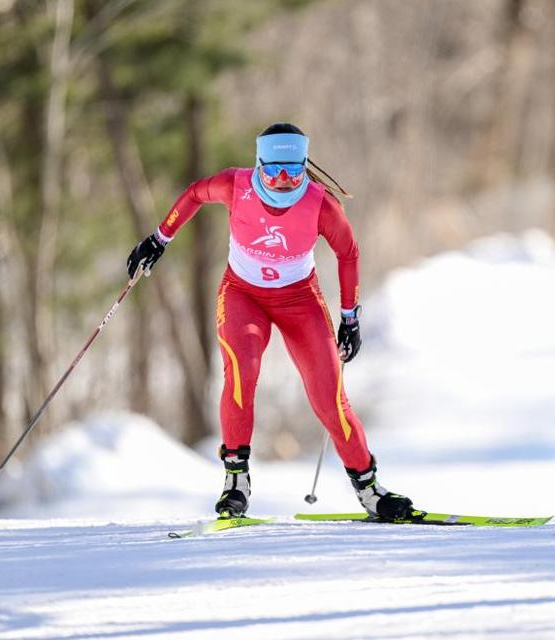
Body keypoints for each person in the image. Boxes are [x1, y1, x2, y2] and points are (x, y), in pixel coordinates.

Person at [126, 123, 416, 520]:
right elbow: (195, 194)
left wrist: (351, 316)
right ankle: (235, 483)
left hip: (299, 300)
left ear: (304, 167)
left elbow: (348, 253)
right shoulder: (235, 185)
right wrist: (159, 239)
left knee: (330, 399)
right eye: (274, 171)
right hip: (243, 295)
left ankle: (370, 491)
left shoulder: (320, 203)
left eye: (293, 172)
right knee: (241, 375)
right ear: (259, 164)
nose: (283, 182)